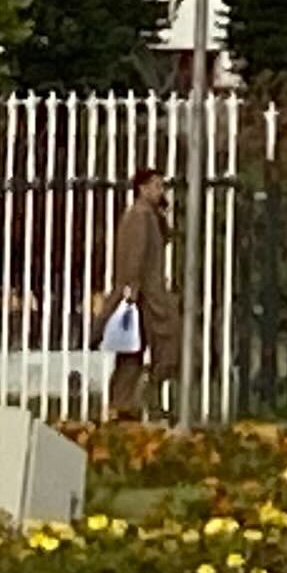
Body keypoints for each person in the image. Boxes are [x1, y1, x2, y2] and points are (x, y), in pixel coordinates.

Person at [89, 166, 179, 423]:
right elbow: (133, 260)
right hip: (143, 298)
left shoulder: (150, 215)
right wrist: (131, 293)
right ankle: (129, 402)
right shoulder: (139, 216)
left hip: (145, 296)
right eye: (157, 186)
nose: (161, 191)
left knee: (137, 353)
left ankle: (129, 402)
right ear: (143, 188)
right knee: (146, 350)